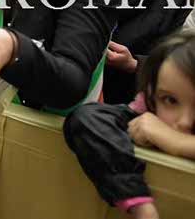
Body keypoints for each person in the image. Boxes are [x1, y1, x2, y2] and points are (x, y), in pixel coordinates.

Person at [64, 30, 195, 219]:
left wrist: (176, 142)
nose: (184, 122)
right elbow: (88, 119)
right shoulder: (146, 115)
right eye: (170, 100)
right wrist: (142, 209)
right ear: (151, 96)